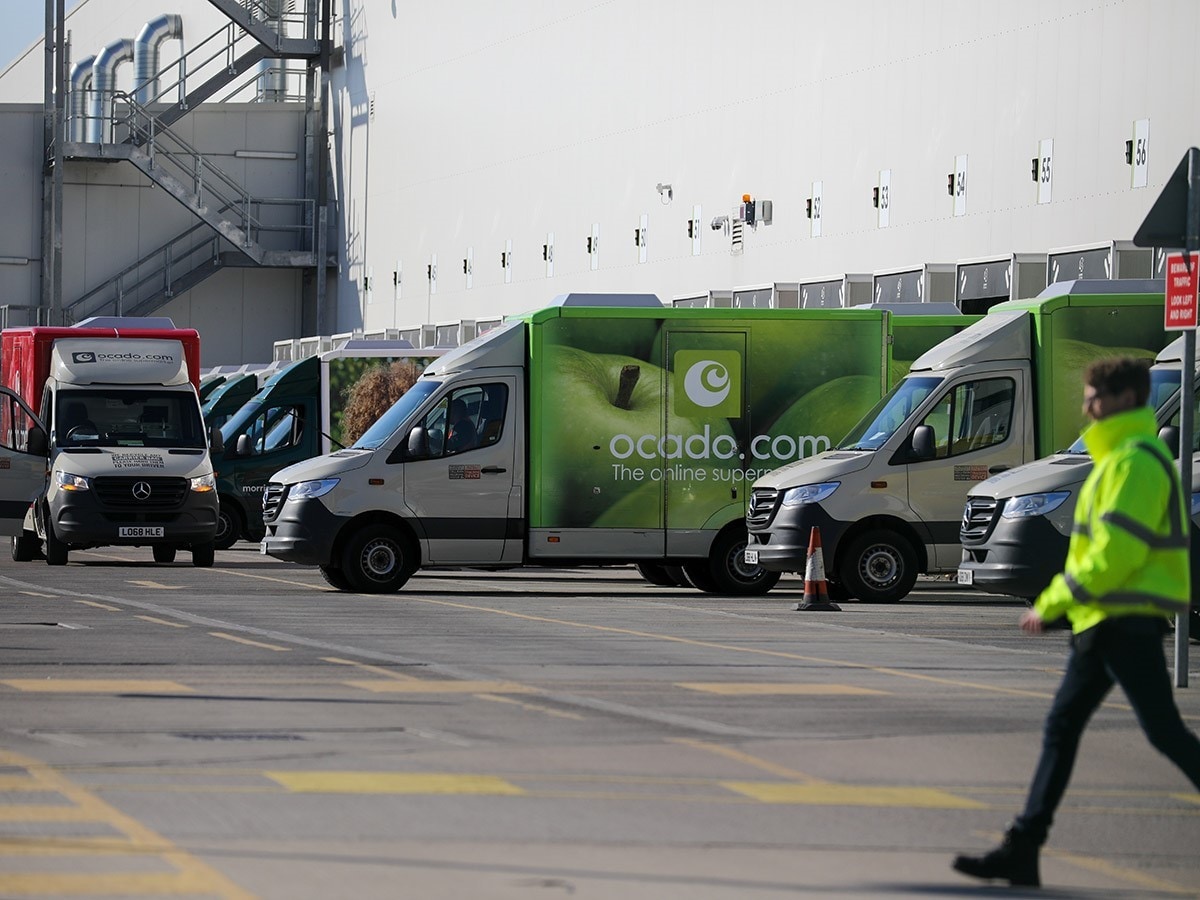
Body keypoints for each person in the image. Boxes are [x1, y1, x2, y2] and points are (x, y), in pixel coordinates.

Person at [953, 357, 1200, 888]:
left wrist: (1054, 601)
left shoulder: (1134, 462)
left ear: (1123, 401)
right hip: (1112, 618)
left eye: (1094, 396)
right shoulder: (1122, 459)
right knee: (1120, 730)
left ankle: (1023, 846)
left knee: (1138, 732)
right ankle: (1023, 847)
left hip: (1120, 618)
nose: (1086, 406)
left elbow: (1115, 555)